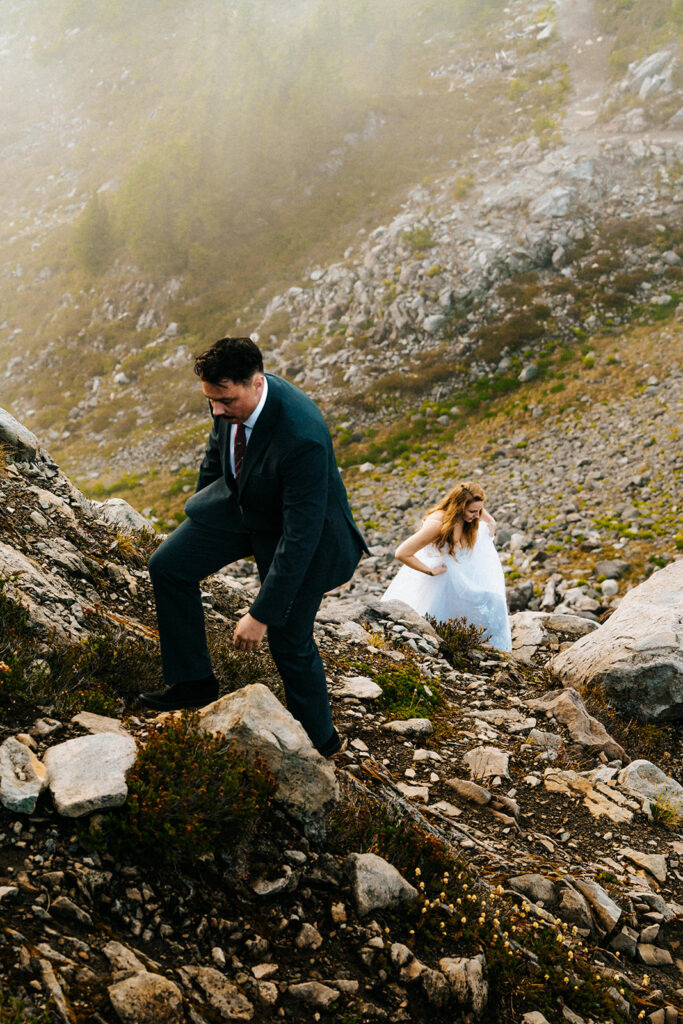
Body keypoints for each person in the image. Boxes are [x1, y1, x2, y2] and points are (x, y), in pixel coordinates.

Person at [140, 336, 368, 756]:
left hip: (304, 534)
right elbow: (216, 455)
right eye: (210, 400)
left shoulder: (303, 435)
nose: (216, 410)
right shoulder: (225, 401)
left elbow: (300, 536)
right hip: (245, 506)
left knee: (288, 637)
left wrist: (261, 613)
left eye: (225, 400)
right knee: (168, 565)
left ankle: (322, 741)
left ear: (257, 383)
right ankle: (194, 682)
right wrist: (204, 515)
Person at [381, 481, 511, 651]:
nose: (478, 516)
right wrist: (430, 571)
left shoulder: (471, 515)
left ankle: (491, 649)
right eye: (473, 511)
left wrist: (491, 520)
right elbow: (402, 552)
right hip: (441, 580)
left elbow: (478, 508)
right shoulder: (437, 525)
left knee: (496, 601)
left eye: (480, 510)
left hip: (459, 576)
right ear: (459, 507)